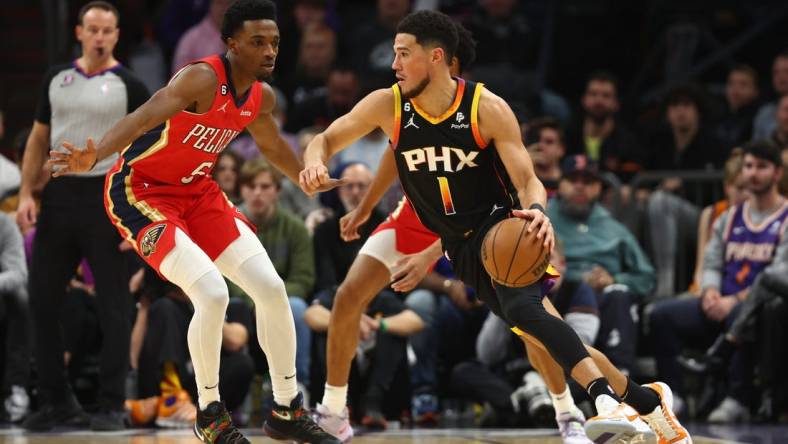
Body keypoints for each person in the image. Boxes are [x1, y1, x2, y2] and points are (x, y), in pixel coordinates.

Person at [300, 10, 690, 444]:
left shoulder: (486, 108)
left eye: (403, 54)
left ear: (436, 58)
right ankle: (647, 402)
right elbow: (328, 138)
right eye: (394, 54)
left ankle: (598, 403)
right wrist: (316, 161)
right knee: (540, 329)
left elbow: (526, 178)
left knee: (529, 316)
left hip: (499, 228)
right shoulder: (388, 104)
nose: (393, 64)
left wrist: (538, 210)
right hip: (458, 246)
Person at [48, 1, 341, 443]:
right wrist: (97, 152)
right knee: (211, 291)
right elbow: (145, 115)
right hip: (139, 191)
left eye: (275, 42)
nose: (269, 51)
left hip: (198, 192)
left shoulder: (262, 97)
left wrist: (302, 176)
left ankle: (286, 408)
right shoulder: (202, 77)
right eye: (258, 42)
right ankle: (210, 413)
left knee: (271, 288)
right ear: (232, 44)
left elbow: (271, 146)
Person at [17, 1, 149, 431]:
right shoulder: (57, 78)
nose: (98, 37)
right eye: (92, 29)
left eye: (106, 30)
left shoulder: (130, 83)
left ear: (115, 35)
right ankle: (57, 401)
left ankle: (111, 403)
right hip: (58, 194)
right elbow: (39, 138)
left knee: (113, 302)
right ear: (79, 32)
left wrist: (138, 215)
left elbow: (147, 150)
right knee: (42, 299)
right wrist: (25, 192)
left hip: (108, 195)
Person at [649, 140, 787, 423]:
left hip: (755, 307)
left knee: (740, 314)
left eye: (762, 167)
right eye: (749, 166)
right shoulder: (729, 217)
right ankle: (674, 396)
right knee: (662, 315)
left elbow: (776, 275)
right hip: (719, 300)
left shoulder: (785, 218)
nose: (753, 173)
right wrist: (710, 290)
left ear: (777, 173)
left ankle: (738, 397)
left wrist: (733, 301)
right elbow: (711, 262)